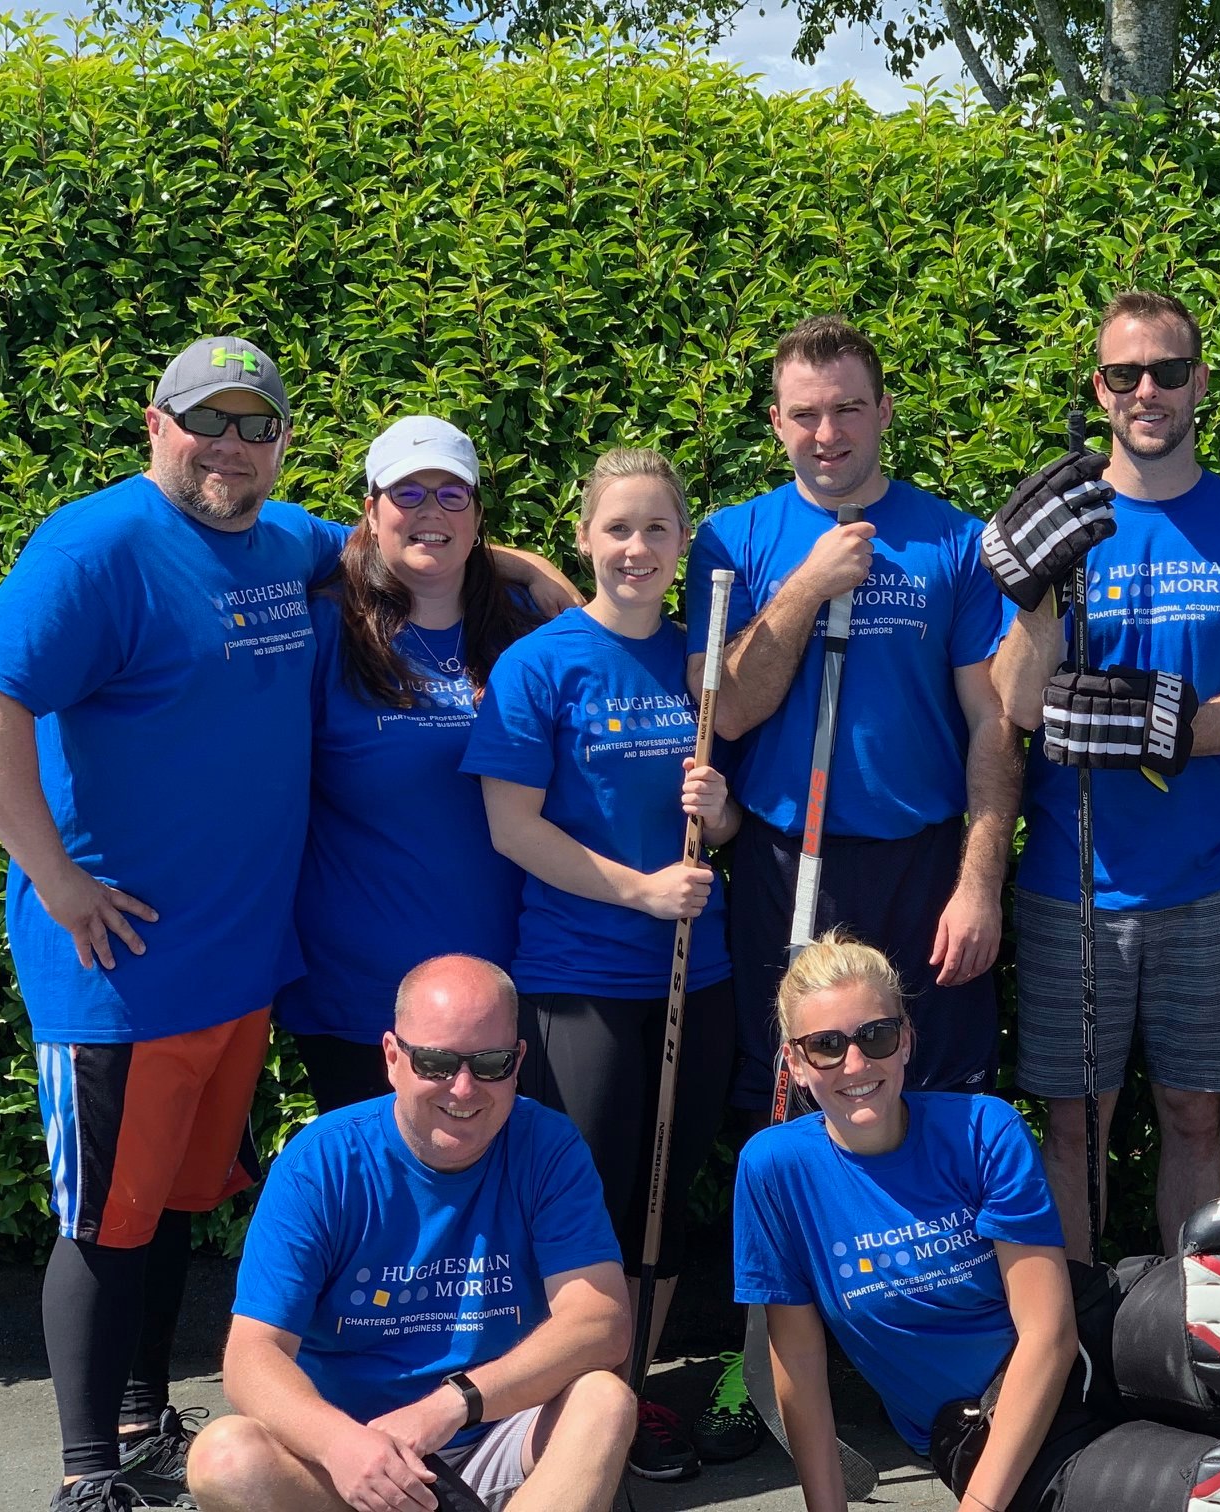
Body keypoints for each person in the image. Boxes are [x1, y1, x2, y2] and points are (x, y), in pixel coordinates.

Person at [0, 336, 578, 1512]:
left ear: (281, 445)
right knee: (103, 1219)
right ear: (155, 423)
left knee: (166, 1205)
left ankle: (140, 1416)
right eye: (205, 420)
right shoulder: (94, 545)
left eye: (254, 424)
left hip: (235, 965)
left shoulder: (283, 544)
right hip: (115, 964)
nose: (229, 445)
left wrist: (527, 566)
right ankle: (85, 1469)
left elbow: (406, 532)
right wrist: (52, 878)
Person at [989, 291, 1220, 1260]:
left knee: (1196, 1116)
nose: (1147, 391)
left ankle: (1190, 1334)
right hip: (1070, 885)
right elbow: (1014, 701)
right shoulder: (1068, 522)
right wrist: (1037, 601)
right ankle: (1074, 1339)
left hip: (1209, 877)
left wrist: (1162, 730)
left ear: (1200, 382)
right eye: (1123, 375)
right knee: (1076, 1126)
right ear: (1099, 388)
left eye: (1168, 370)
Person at [462, 447, 740, 1483]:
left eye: (655, 529)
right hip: (580, 978)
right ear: (584, 538)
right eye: (616, 528)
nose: (635, 548)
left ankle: (631, 1392)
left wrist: (725, 814)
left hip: (695, 977)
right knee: (587, 1202)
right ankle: (561, 1411)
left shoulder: (701, 665)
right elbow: (509, 827)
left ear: (681, 544)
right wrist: (637, 890)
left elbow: (734, 820)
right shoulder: (544, 664)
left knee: (663, 1196)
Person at [686, 315, 1019, 1116]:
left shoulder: (955, 541)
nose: (825, 433)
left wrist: (980, 885)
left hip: (924, 867)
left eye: (847, 410)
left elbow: (994, 724)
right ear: (775, 422)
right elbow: (726, 712)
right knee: (792, 1099)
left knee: (936, 1095)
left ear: (885, 411)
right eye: (803, 414)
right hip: (785, 861)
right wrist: (807, 586)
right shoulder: (730, 540)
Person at [182, 954, 634, 1512]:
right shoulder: (321, 1162)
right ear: (393, 1057)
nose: (464, 1088)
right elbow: (253, 1357)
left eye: (489, 1062)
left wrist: (451, 1405)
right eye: (437, 1063)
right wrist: (343, 1444)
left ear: (518, 1061)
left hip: (496, 1434)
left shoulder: (548, 1146)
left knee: (603, 1400)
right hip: (354, 1457)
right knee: (225, 1458)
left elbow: (601, 1322)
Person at [734, 933, 1091, 1512]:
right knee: (1203, 1485)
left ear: (906, 1041)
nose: (856, 1063)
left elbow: (1050, 1335)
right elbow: (797, 1357)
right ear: (796, 1064)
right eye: (826, 1046)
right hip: (976, 1430)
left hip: (1079, 1359)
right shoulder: (774, 1169)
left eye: (876, 1036)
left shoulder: (986, 1128)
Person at [276, 416, 542, 1112]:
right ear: (370, 511)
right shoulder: (323, 629)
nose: (431, 512)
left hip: (515, 988)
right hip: (363, 998)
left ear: (479, 514)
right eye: (408, 494)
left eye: (452, 494)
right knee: (381, 1206)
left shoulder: (525, 625)